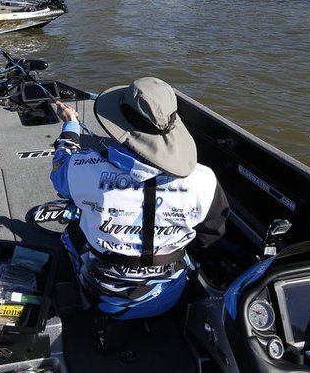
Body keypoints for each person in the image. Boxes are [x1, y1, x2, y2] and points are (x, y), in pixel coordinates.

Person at [50, 77, 229, 322]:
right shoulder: (205, 179)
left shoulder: (82, 168)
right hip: (168, 296)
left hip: (105, 298)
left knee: (71, 232)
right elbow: (210, 233)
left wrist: (71, 125)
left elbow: (60, 175)